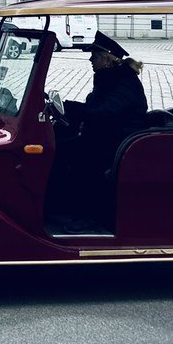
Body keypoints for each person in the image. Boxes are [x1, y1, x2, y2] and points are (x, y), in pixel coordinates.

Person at [59, 31, 147, 223]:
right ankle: (63, 207)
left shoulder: (123, 82)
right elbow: (94, 109)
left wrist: (70, 108)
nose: (91, 59)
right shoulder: (109, 78)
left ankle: (83, 215)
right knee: (61, 145)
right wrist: (67, 108)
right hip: (107, 136)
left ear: (107, 60)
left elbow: (103, 112)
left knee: (74, 155)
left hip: (119, 143)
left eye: (95, 56)